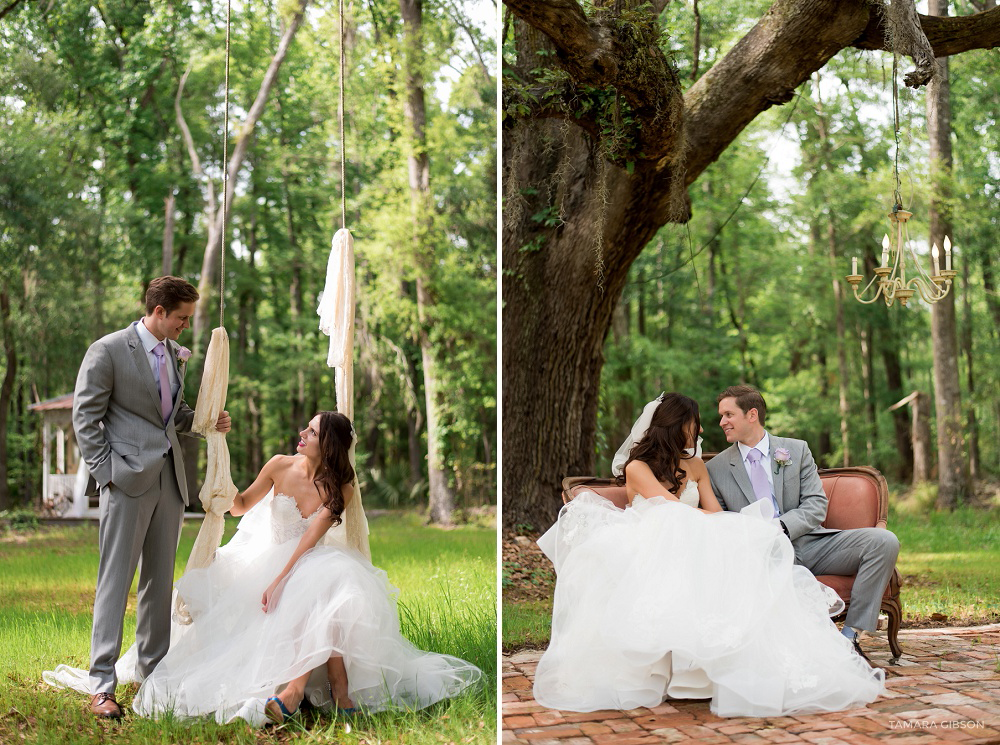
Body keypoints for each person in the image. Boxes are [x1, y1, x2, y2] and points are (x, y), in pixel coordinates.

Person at [532, 393, 885, 717]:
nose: (702, 428)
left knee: (722, 553)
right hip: (653, 538)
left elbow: (715, 512)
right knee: (696, 553)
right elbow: (668, 509)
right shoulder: (637, 468)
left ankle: (724, 668)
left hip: (695, 533)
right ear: (676, 425)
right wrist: (737, 526)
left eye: (720, 416)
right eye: (696, 421)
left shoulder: (698, 466)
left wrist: (739, 527)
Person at [128, 411, 481, 727]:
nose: (302, 433)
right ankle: (339, 689)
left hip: (309, 557)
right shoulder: (280, 465)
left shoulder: (342, 485)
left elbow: (311, 538)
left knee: (327, 579)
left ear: (325, 445)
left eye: (311, 432)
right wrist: (221, 465)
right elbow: (240, 506)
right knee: (322, 585)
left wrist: (281, 580)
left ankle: (297, 691)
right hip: (268, 557)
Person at [60, 276, 231, 719]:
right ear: (158, 312)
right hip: (126, 482)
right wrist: (108, 473)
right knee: (115, 582)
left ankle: (154, 677)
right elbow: (85, 417)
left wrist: (208, 420)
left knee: (158, 583)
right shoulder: (108, 350)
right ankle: (101, 685)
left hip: (170, 482)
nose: (184, 328)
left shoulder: (175, 356)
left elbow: (171, 414)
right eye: (181, 319)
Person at [706, 384, 900, 662]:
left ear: (751, 415)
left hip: (811, 543)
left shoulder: (795, 450)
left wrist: (779, 528)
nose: (722, 422)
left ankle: (851, 636)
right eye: (721, 416)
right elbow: (722, 521)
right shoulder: (716, 468)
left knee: (884, 541)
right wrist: (758, 538)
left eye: (728, 414)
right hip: (760, 556)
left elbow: (815, 505)